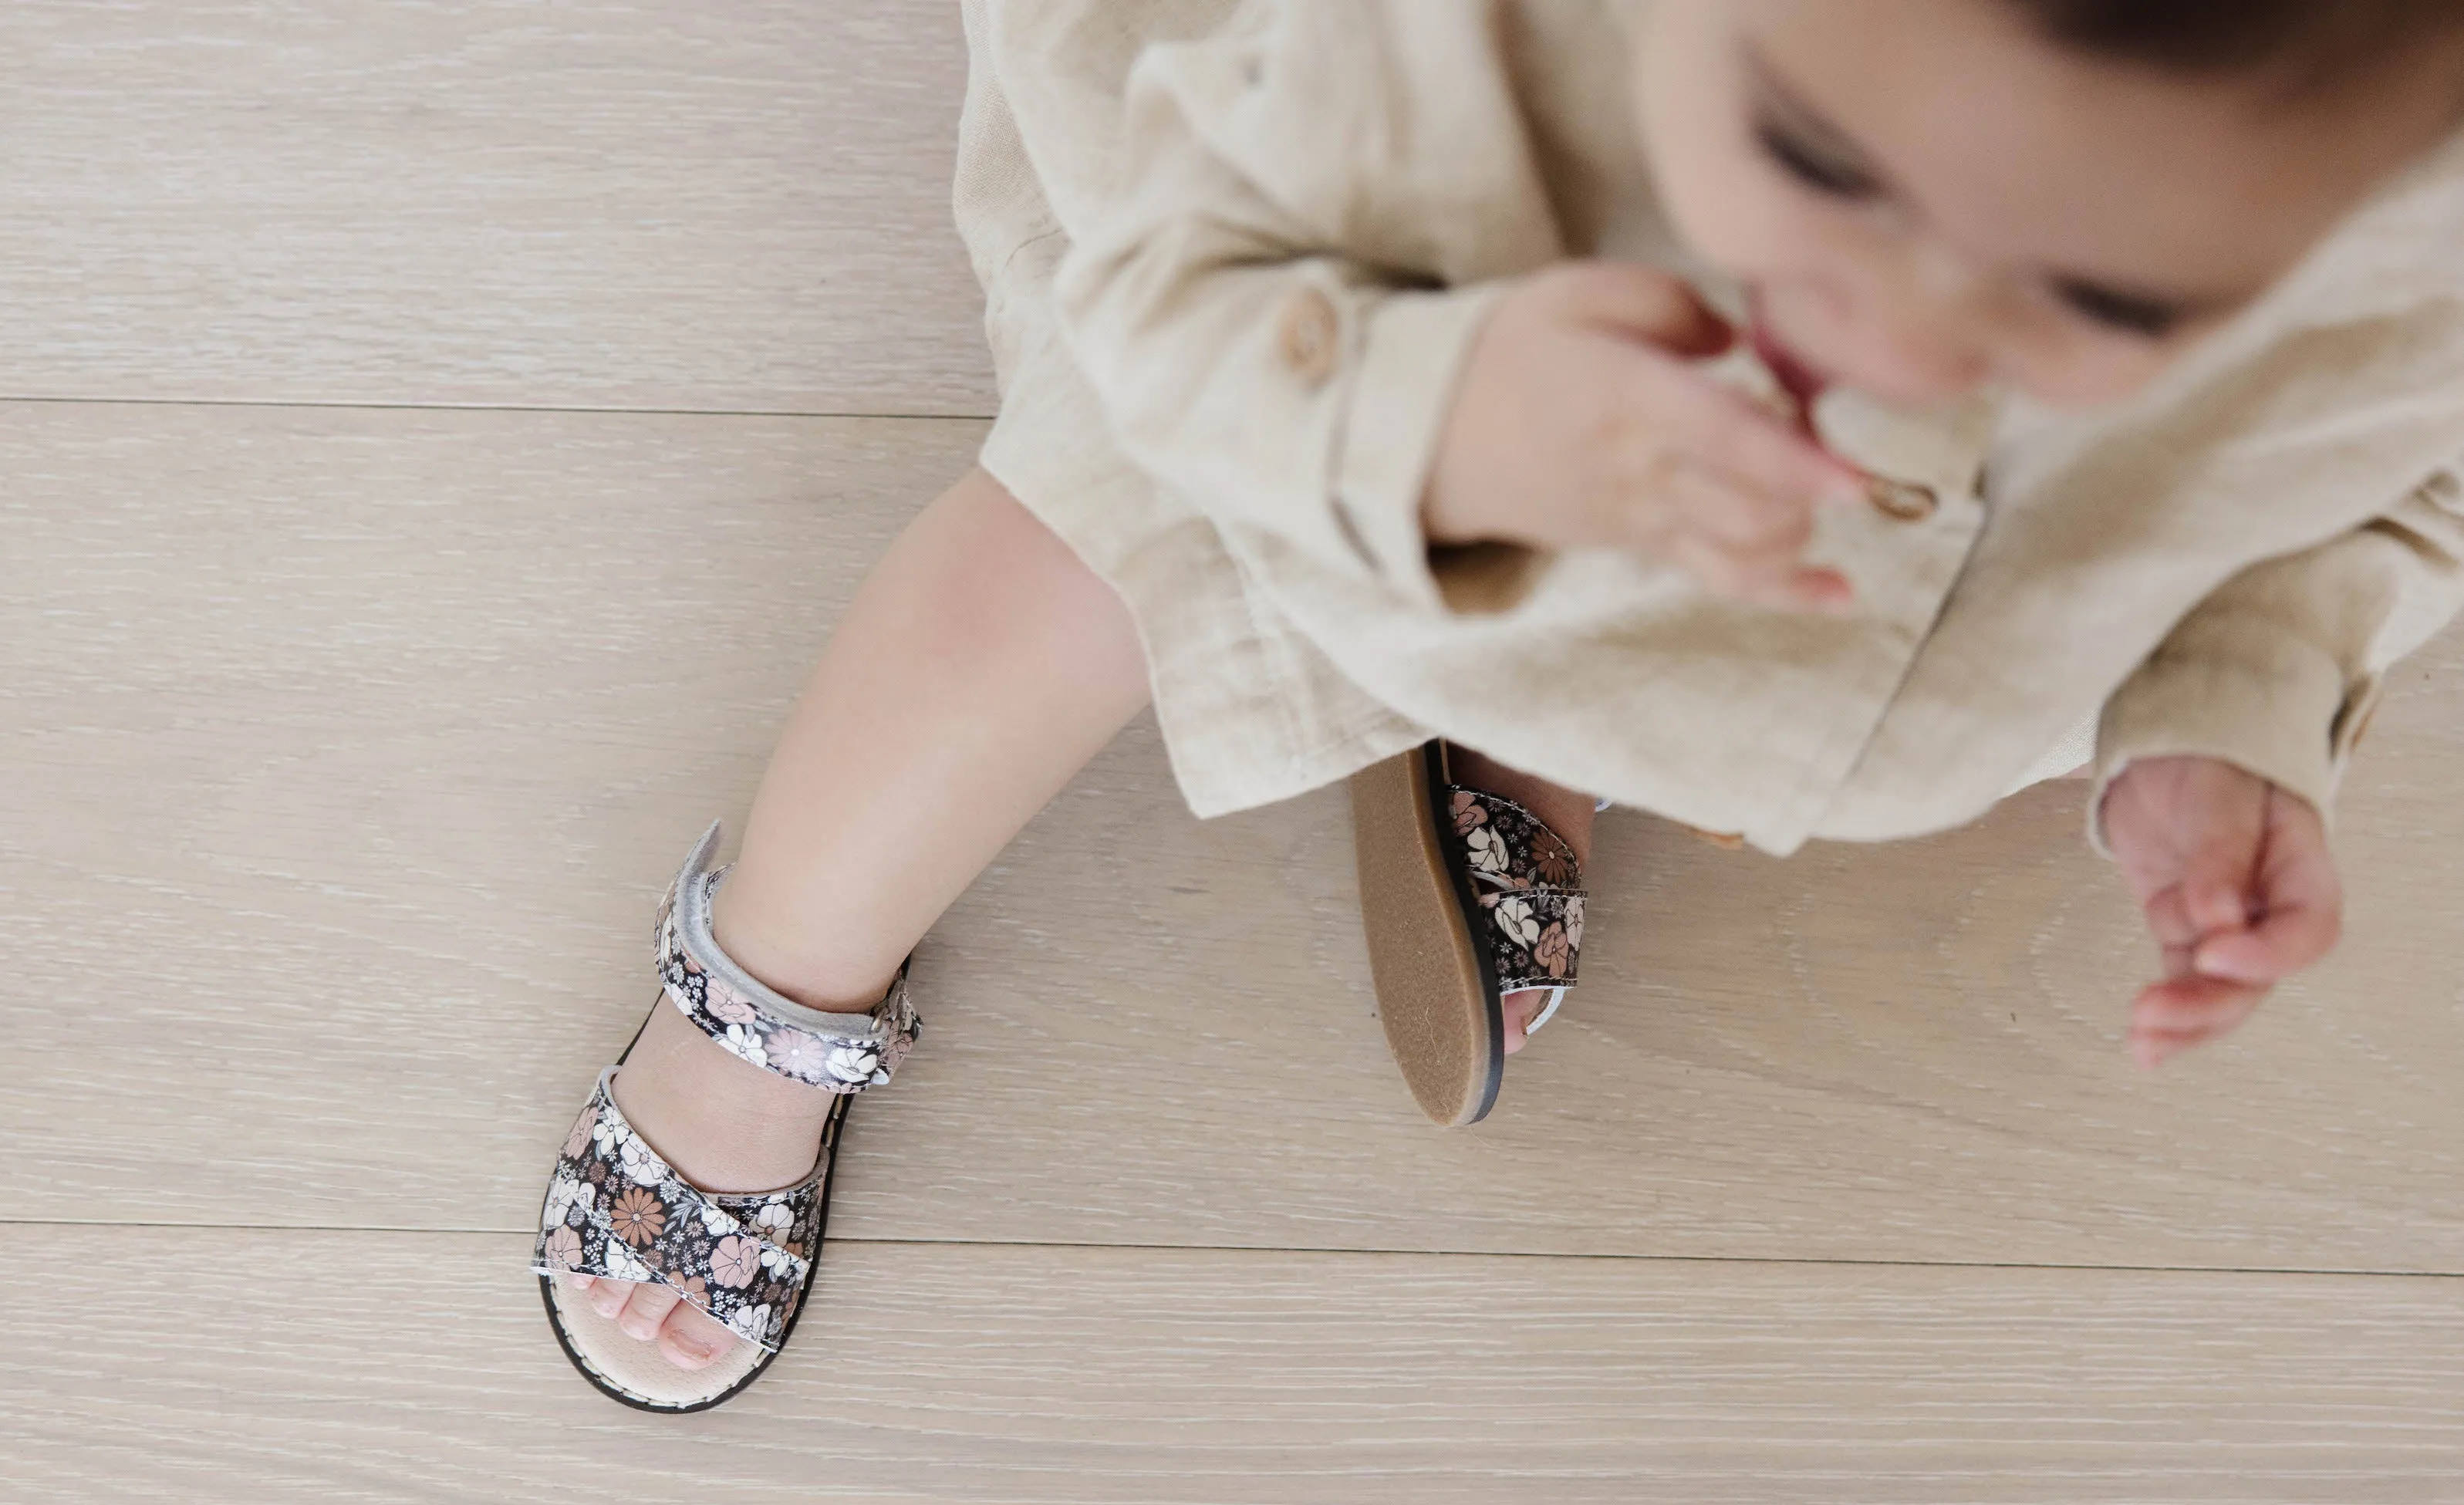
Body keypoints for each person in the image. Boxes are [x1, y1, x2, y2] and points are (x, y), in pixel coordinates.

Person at [532, 0, 2464, 1411]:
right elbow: (1181, 280)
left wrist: (2227, 705)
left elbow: (2386, 475)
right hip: (1338, 331)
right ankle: (763, 1000)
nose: (1892, 335)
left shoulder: (2401, 209)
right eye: (1812, 156)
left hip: (1892, 619)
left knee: (1751, 623)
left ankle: (1547, 711)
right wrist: (1437, 423)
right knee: (1087, 548)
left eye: (2110, 304)